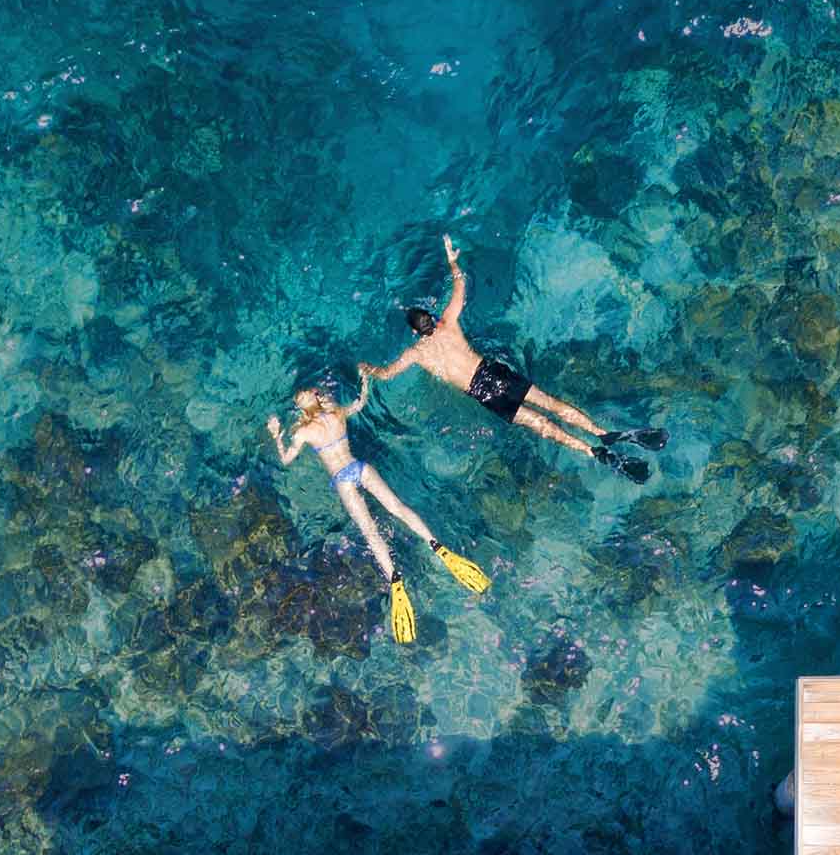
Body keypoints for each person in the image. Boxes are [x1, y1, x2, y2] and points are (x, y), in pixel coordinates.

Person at [359, 234, 665, 484]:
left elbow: (386, 374)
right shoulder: (448, 324)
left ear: (415, 332)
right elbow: (461, 286)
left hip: (482, 393)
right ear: (432, 318)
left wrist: (365, 369)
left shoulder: (416, 353)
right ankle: (602, 433)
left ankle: (590, 451)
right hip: (493, 373)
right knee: (550, 403)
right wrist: (453, 261)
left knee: (540, 424)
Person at [269, 384, 491, 646]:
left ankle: (395, 581)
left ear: (300, 408)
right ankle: (436, 545)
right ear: (318, 398)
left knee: (370, 530)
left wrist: (276, 433)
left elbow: (285, 459)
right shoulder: (337, 413)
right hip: (359, 467)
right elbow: (360, 403)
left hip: (343, 479)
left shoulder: (304, 431)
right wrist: (364, 382)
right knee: (397, 507)